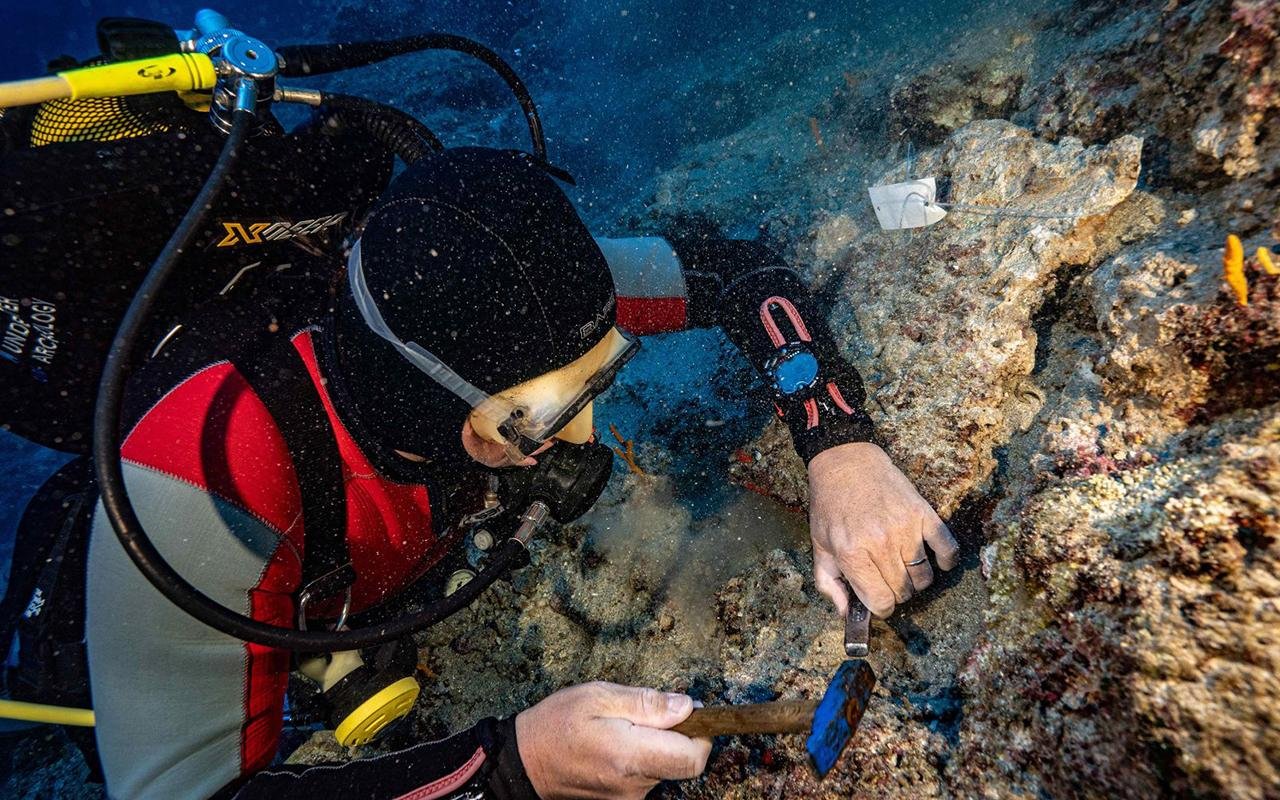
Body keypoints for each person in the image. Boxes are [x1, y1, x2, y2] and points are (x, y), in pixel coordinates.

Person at [2, 25, 959, 800]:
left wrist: (839, 447)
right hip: (203, 580)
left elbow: (739, 269)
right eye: (540, 424)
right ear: (437, 401)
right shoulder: (201, 483)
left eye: (603, 380)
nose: (586, 441)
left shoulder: (536, 313)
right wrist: (510, 766)